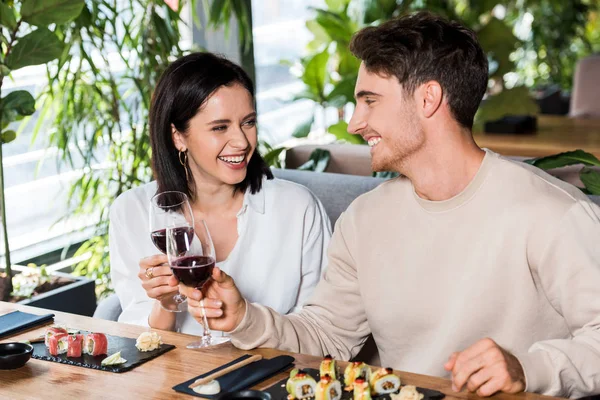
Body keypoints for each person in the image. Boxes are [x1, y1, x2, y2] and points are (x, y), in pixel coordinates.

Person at [178, 12, 600, 398]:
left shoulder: (552, 213)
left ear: (428, 98)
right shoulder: (365, 219)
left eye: (370, 101)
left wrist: (527, 367)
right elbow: (327, 337)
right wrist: (242, 318)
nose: (354, 123)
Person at [109, 52, 331, 335]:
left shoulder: (297, 208)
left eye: (248, 122)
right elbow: (139, 338)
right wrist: (165, 303)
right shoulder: (133, 211)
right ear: (178, 136)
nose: (241, 141)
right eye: (220, 127)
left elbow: (320, 330)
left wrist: (248, 320)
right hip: (175, 375)